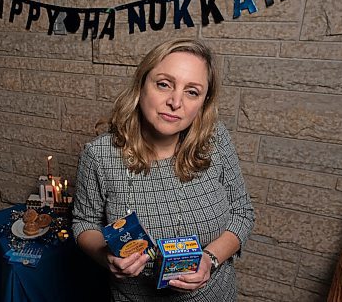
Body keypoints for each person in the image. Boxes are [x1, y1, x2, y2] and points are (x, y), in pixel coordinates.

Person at [71, 38, 255, 301]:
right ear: (141, 85)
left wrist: (210, 259)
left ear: (203, 102)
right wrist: (105, 257)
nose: (175, 102)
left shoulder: (215, 140)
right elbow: (83, 222)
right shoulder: (99, 156)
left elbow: (242, 212)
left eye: (192, 91)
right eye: (164, 84)